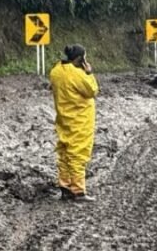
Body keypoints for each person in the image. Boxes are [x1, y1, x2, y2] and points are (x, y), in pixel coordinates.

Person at [49, 44, 99, 202]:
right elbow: (92, 90)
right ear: (80, 59)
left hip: (63, 119)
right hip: (80, 120)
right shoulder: (77, 74)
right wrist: (89, 73)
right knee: (78, 154)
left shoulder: (56, 71)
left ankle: (65, 187)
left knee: (64, 153)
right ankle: (78, 191)